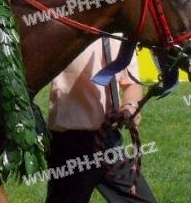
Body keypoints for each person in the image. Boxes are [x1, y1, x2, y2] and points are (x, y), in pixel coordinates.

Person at [46, 37, 157, 203]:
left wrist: (130, 106)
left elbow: (131, 84)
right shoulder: (69, 32)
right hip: (70, 145)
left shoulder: (122, 36)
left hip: (109, 141)